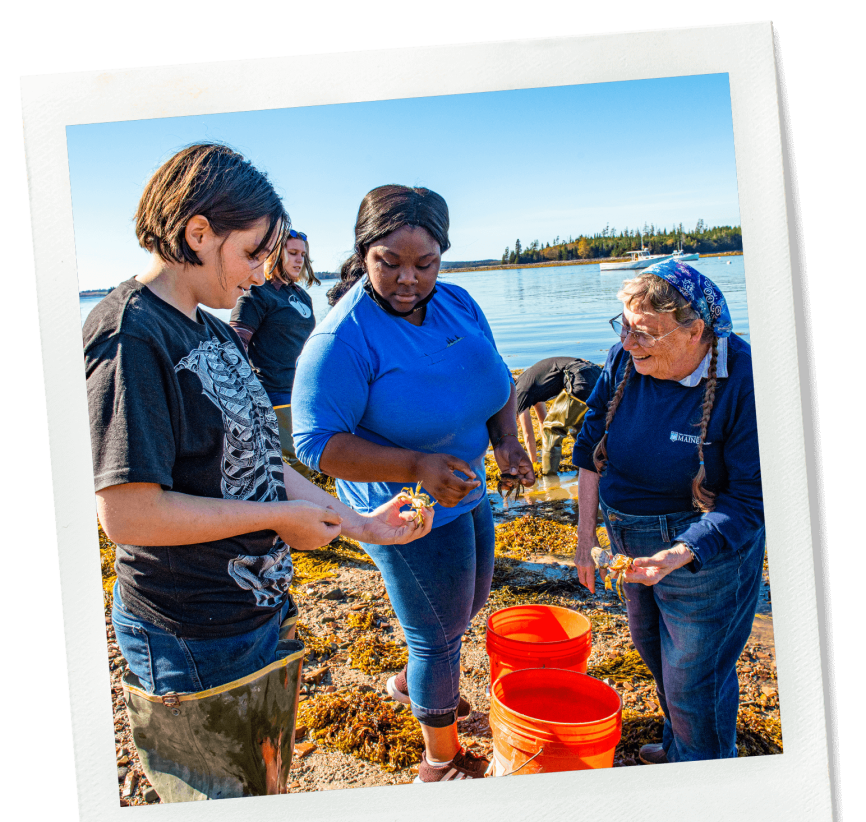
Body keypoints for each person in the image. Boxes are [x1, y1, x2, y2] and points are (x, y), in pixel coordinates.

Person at [85, 145, 432, 801]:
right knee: (219, 818)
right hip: (188, 633)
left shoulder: (211, 334)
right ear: (198, 234)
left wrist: (358, 524)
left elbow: (261, 458)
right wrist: (276, 517)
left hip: (257, 614)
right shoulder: (131, 335)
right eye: (251, 253)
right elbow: (127, 516)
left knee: (262, 791)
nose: (260, 273)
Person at [292, 184, 535, 782]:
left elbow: (496, 378)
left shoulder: (459, 303)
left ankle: (408, 685)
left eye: (424, 264)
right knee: (438, 634)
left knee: (470, 604)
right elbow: (316, 444)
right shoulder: (342, 338)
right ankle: (441, 763)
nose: (408, 279)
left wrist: (506, 441)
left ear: (442, 256)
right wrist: (415, 467)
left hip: (466, 491)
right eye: (388, 263)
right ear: (362, 254)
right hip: (406, 512)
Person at [572, 259, 763, 764]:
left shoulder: (744, 378)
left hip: (704, 550)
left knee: (695, 677)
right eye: (625, 328)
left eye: (646, 334)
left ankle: (700, 771)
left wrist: (682, 552)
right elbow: (589, 443)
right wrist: (585, 540)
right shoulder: (624, 360)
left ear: (695, 330)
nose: (628, 344)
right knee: (655, 651)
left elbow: (751, 500)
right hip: (627, 539)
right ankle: (683, 746)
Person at [230, 228, 320, 479]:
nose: (299, 260)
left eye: (302, 254)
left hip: (303, 392)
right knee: (292, 467)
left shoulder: (301, 295)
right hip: (275, 395)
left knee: (309, 461)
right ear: (274, 255)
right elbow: (235, 345)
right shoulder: (257, 293)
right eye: (292, 253)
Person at [514, 356, 602, 473]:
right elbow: (542, 421)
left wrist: (533, 462)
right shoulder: (529, 383)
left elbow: (527, 433)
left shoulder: (519, 392)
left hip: (579, 377)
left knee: (553, 428)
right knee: (578, 428)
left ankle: (548, 475)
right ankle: (591, 467)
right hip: (595, 373)